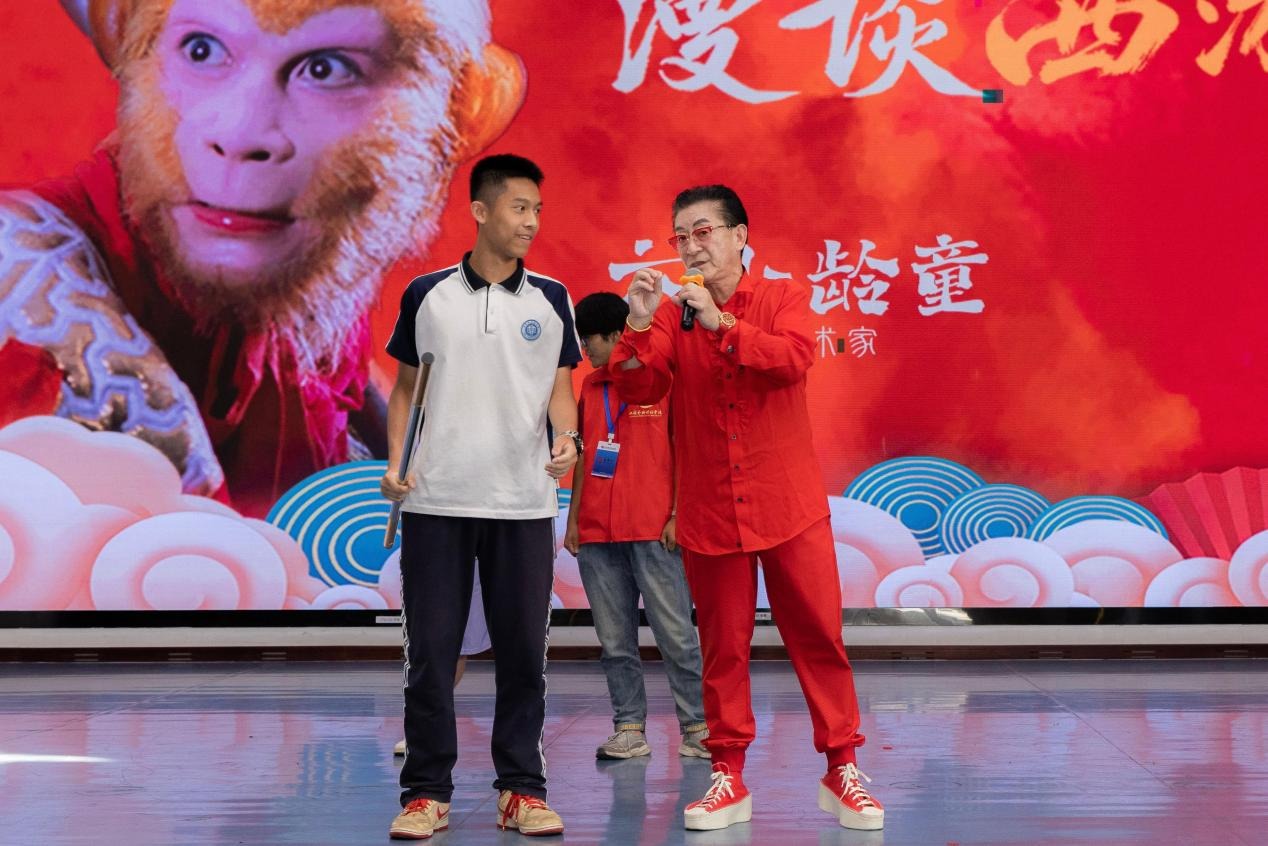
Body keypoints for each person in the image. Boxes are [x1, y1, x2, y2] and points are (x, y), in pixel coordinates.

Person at [0, 0, 523, 515]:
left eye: (327, 69)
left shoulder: (306, 302)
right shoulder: (30, 286)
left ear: (457, 110)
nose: (238, 133)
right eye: (201, 50)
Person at [610, 185, 885, 832]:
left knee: (818, 637)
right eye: (680, 237)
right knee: (723, 649)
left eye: (703, 231)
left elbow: (792, 360)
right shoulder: (671, 317)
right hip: (710, 510)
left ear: (739, 236)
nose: (690, 246)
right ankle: (727, 775)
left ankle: (842, 768)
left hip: (788, 503)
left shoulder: (780, 297)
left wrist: (722, 324)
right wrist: (639, 323)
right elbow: (636, 386)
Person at [380, 154, 579, 840]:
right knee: (432, 657)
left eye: (537, 210)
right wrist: (395, 465)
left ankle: (521, 790)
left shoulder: (552, 298)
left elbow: (559, 388)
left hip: (523, 503)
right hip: (436, 501)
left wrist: (569, 439)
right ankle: (425, 795)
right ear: (481, 210)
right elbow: (405, 390)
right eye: (520, 208)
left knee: (524, 657)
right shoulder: (426, 294)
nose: (531, 222)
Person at [563, 292, 709, 762]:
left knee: (676, 635)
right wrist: (574, 518)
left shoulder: (661, 381)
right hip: (597, 534)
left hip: (653, 528)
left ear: (616, 336)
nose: (584, 349)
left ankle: (697, 726)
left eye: (590, 339)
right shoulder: (589, 387)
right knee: (614, 642)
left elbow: (685, 450)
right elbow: (585, 454)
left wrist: (677, 513)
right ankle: (628, 727)